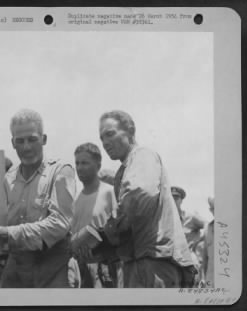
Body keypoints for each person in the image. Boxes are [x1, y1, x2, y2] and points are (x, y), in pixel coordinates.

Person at [99, 110, 195, 288]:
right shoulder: (129, 165)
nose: (105, 143)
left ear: (130, 130)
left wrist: (110, 228)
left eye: (110, 134)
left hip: (152, 263)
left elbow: (140, 195)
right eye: (102, 138)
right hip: (142, 260)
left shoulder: (142, 155)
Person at [0, 109, 76, 288]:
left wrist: (10, 234)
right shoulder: (8, 178)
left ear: (44, 139)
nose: (26, 147)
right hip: (17, 266)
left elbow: (60, 223)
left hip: (52, 268)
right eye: (20, 141)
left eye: (32, 139)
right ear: (13, 143)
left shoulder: (61, 172)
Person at [70, 143, 119, 288]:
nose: (79, 167)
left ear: (98, 165)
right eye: (77, 163)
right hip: (81, 269)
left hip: (106, 270)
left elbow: (120, 233)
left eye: (85, 163)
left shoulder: (110, 193)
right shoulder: (76, 200)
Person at [171, 186, 205, 286]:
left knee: (193, 266)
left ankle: (196, 288)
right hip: (170, 253)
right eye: (171, 198)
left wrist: (199, 241)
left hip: (188, 253)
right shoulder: (165, 219)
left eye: (176, 198)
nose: (173, 201)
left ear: (181, 200)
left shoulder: (190, 217)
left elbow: (208, 226)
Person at [202, 197, 214, 287]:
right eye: (214, 208)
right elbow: (205, 257)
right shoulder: (208, 229)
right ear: (211, 210)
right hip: (211, 278)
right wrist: (203, 278)